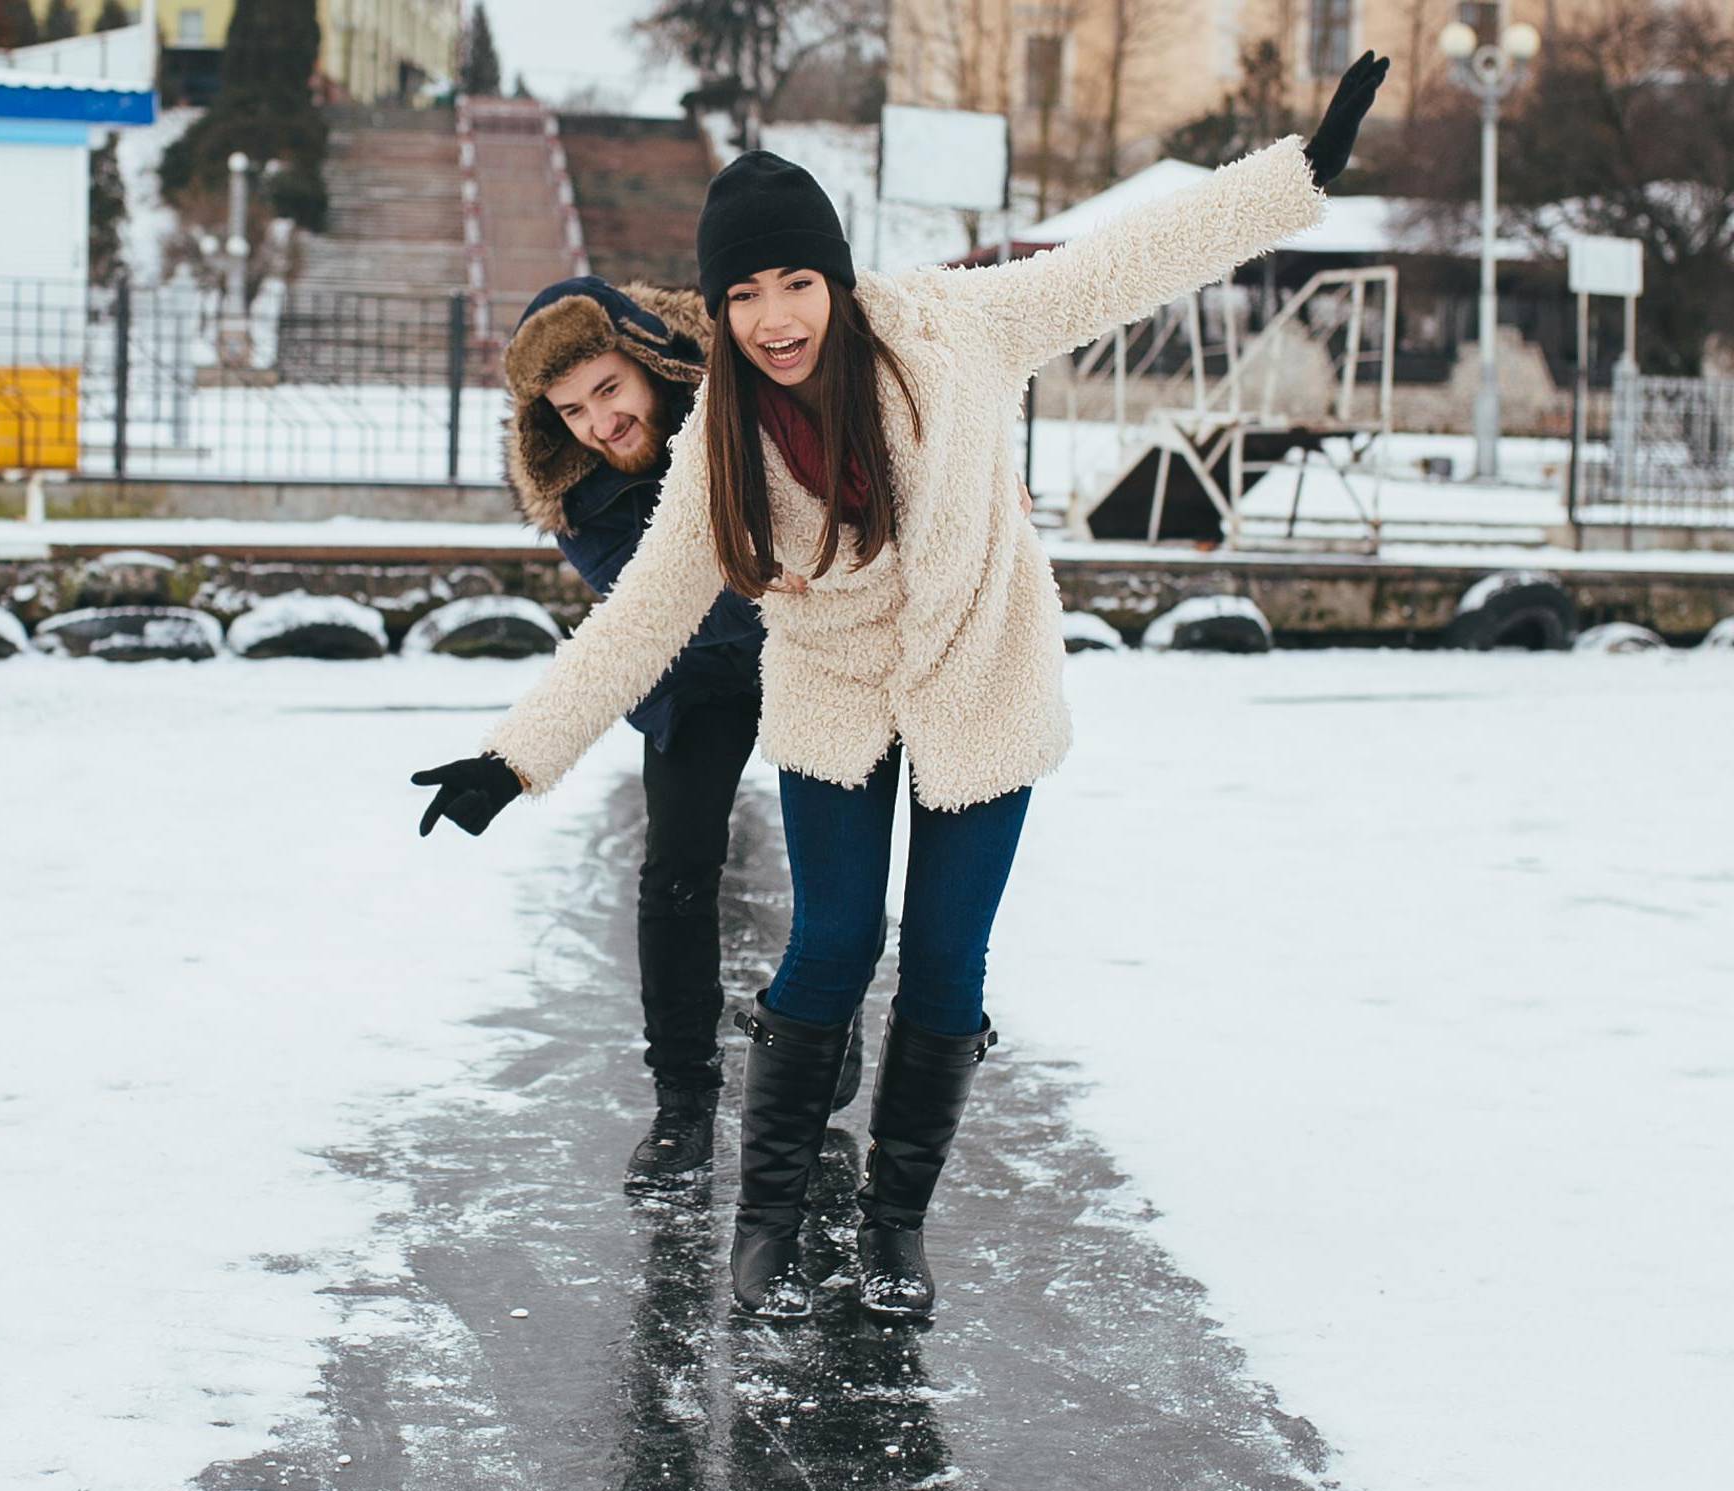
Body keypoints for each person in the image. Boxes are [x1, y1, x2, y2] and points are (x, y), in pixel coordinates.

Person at [416, 53, 1390, 1321]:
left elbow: (1120, 261)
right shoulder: (720, 436)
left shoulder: (954, 327)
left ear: (835, 277)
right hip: (832, 693)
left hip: (982, 674)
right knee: (831, 941)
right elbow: (638, 619)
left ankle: (893, 1228)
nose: (775, 319)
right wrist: (514, 756)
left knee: (946, 961)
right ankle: (765, 1226)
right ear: (718, 305)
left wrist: (1295, 179)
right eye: (746, 294)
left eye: (797, 283)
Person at [485, 276, 867, 1196]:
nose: (599, 424)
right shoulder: (574, 487)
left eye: (609, 391)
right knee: (676, 870)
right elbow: (665, 612)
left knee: (841, 852)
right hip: (693, 671)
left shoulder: (744, 406)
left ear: (650, 364)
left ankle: (813, 1047)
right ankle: (682, 1100)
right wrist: (770, 578)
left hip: (810, 653)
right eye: (572, 410)